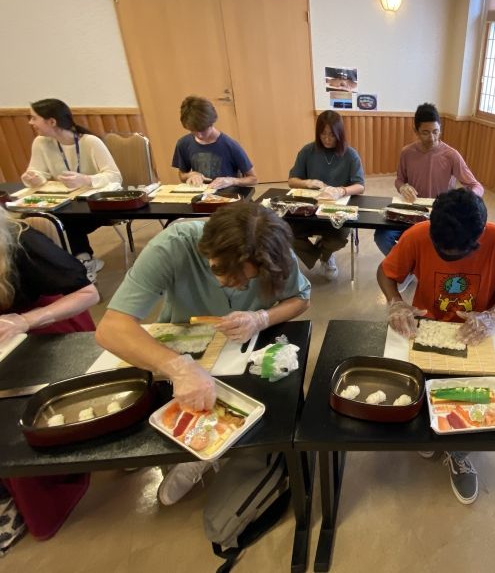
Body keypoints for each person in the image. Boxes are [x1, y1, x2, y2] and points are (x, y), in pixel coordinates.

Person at [95, 202, 311, 505]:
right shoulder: (173, 245)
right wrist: (180, 368)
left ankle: (197, 456)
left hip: (240, 345)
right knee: (164, 407)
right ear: (207, 249)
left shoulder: (273, 253)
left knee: (245, 408)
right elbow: (111, 328)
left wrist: (259, 318)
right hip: (182, 341)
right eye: (223, 273)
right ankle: (168, 444)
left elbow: (301, 299)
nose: (234, 286)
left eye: (246, 280)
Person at [377, 189, 495, 505]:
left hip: (476, 331)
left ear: (477, 239)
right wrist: (396, 303)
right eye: (440, 249)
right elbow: (386, 272)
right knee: (417, 397)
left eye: (454, 254)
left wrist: (494, 313)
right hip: (426, 328)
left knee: (477, 402)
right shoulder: (418, 234)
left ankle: (458, 453)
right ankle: (431, 431)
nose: (445, 255)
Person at [0, 206, 100, 546]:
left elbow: (89, 294)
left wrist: (24, 321)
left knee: (10, 418)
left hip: (47, 330)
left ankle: (26, 494)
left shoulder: (22, 240)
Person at [21, 98, 123, 281]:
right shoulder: (41, 143)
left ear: (52, 121)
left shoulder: (90, 142)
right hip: (63, 201)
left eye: (34, 118)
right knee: (36, 219)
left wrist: (85, 179)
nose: (31, 123)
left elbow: (115, 176)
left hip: (95, 206)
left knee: (66, 219)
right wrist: (34, 178)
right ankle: (67, 262)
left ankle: (81, 261)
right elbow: (36, 171)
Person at [374, 103, 483, 267]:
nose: (431, 138)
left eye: (435, 132)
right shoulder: (407, 153)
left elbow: (476, 185)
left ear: (441, 130)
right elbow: (399, 180)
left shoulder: (451, 155)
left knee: (435, 241)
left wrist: (467, 200)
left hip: (439, 216)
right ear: (416, 130)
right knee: (382, 236)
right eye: (425, 132)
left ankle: (420, 266)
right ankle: (410, 267)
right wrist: (403, 187)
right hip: (411, 212)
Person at [287, 110, 365, 280]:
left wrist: (341, 190)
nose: (327, 139)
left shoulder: (350, 154)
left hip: (336, 209)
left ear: (340, 134)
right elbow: (292, 180)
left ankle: (326, 255)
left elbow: (360, 186)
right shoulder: (308, 151)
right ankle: (322, 254)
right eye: (323, 134)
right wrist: (307, 183)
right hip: (309, 209)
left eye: (332, 135)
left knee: (341, 235)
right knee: (285, 231)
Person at [171, 96, 258, 190]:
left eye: (203, 130)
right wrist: (190, 175)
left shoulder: (230, 145)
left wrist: (231, 181)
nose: (199, 135)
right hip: (201, 197)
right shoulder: (183, 143)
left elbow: (253, 179)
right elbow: (182, 175)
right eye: (193, 131)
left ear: (211, 122)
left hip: (228, 197)